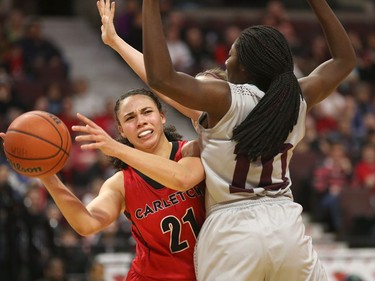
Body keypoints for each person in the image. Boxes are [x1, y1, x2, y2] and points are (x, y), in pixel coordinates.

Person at [99, 0, 356, 280]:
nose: (225, 60)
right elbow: (344, 60)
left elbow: (160, 79)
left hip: (231, 230)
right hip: (286, 226)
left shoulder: (224, 100)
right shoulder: (297, 96)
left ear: (245, 68)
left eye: (231, 55)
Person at [1, 89, 206, 281]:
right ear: (121, 130)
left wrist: (116, 149)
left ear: (162, 117)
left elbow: (181, 178)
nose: (141, 121)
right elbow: (87, 224)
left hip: (210, 272)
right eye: (130, 118)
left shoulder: (191, 152)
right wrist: (47, 175)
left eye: (147, 112)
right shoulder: (120, 183)